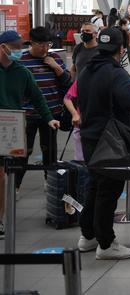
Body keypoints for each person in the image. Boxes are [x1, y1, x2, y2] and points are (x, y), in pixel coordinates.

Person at [77, 27, 130, 260]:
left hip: (89, 136)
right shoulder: (115, 73)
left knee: (95, 187)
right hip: (110, 140)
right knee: (109, 190)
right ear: (121, 49)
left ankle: (87, 235)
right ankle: (106, 244)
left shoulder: (86, 70)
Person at [0, 31, 59, 238]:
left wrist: (49, 117)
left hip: (12, 126)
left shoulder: (22, 72)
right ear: (3, 47)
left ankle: (0, 218)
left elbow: (37, 96)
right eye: (15, 46)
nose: (18, 50)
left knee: (3, 173)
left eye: (20, 46)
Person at [17, 27, 72, 191]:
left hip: (52, 114)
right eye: (41, 45)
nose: (45, 49)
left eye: (48, 44)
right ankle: (16, 185)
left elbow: (68, 82)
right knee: (23, 152)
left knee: (50, 151)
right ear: (31, 43)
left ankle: (50, 182)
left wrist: (56, 67)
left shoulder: (54, 57)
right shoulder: (21, 60)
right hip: (28, 114)